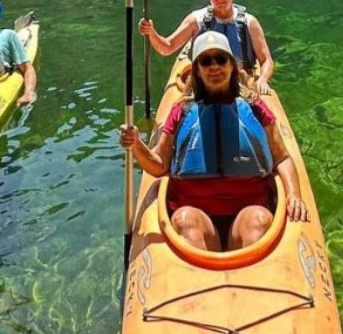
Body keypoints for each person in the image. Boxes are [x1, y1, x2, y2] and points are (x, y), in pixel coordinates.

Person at [119, 32, 307, 251]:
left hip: (248, 207)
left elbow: (282, 158)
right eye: (206, 61)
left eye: (221, 59)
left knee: (258, 220)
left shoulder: (255, 107)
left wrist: (294, 195)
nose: (214, 66)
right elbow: (159, 165)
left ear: (232, 65)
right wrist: (136, 145)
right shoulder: (181, 111)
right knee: (186, 220)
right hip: (195, 212)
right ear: (197, 70)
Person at [138, 0, 276, 94]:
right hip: (205, 84)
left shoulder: (249, 22)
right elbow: (166, 48)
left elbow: (266, 60)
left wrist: (262, 79)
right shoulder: (196, 20)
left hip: (241, 82)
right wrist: (151, 32)